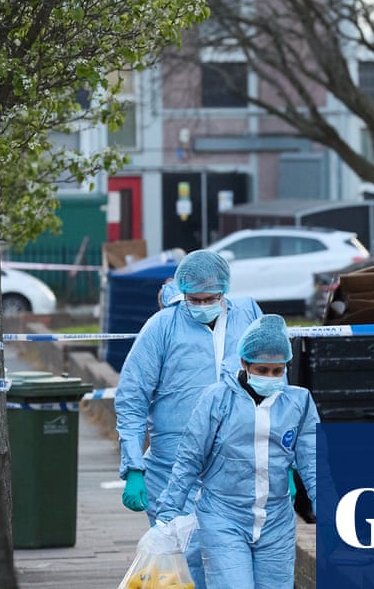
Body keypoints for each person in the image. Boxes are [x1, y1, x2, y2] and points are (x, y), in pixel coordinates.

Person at [115, 249, 261, 588]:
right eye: (195, 299)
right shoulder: (162, 328)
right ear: (183, 293)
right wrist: (134, 467)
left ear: (224, 292)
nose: (202, 304)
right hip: (171, 469)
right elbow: (132, 396)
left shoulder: (246, 318)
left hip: (234, 469)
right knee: (185, 564)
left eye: (210, 298)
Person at [155, 314, 319, 588]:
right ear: (244, 363)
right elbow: (190, 458)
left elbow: (313, 458)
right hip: (223, 516)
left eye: (277, 371)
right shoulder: (217, 400)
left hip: (275, 520)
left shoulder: (298, 402)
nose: (270, 377)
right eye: (262, 370)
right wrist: (168, 512)